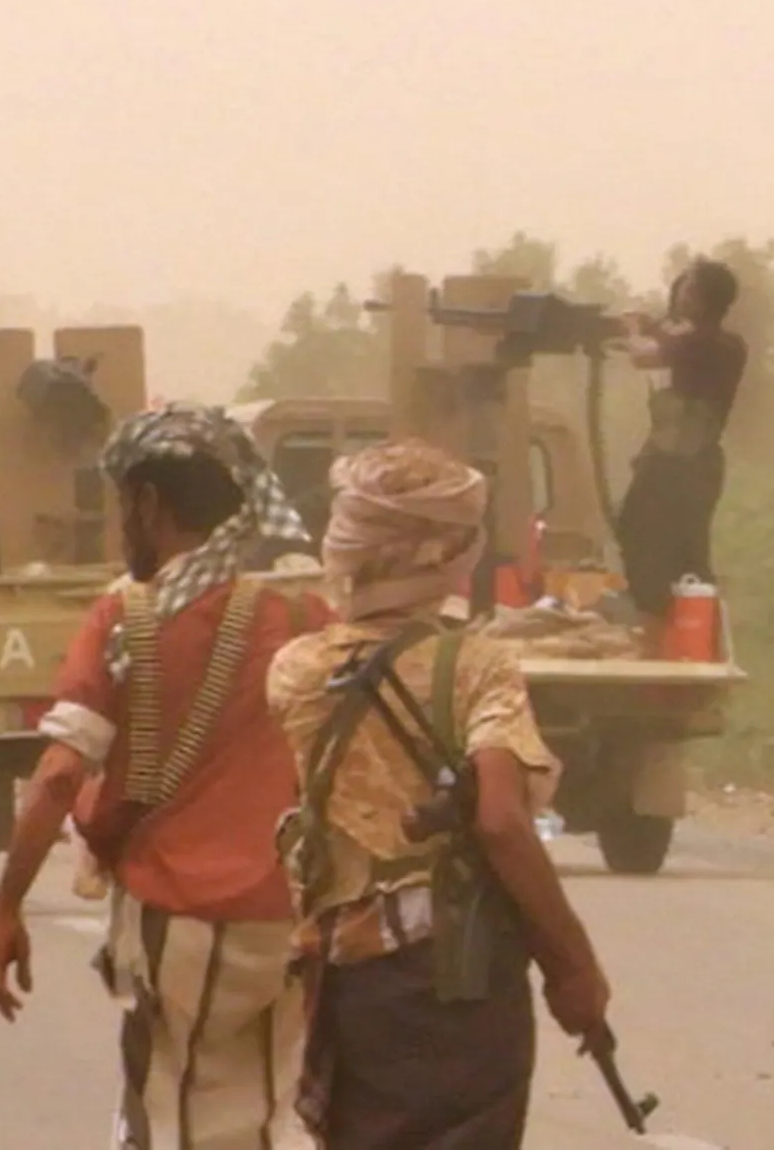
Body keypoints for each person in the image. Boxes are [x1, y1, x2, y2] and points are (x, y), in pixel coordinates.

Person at [0, 403, 323, 1150]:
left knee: (172, 1110)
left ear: (147, 502)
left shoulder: (125, 616)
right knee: (272, 1106)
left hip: (180, 914)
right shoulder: (302, 611)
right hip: (292, 914)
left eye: (122, 509)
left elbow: (58, 775)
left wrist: (7, 906)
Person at [269, 440, 609, 1149]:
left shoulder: (296, 670)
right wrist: (573, 966)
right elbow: (502, 823)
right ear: (449, 553)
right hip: (457, 979)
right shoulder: (478, 666)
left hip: (344, 975)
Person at [616, 258, 749, 633]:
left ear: (701, 297)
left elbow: (645, 355)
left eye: (688, 288)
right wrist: (653, 326)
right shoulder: (723, 345)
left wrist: (630, 329)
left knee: (645, 536)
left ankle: (663, 623)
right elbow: (672, 342)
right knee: (683, 548)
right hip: (693, 466)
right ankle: (685, 627)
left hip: (679, 467)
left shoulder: (706, 344)